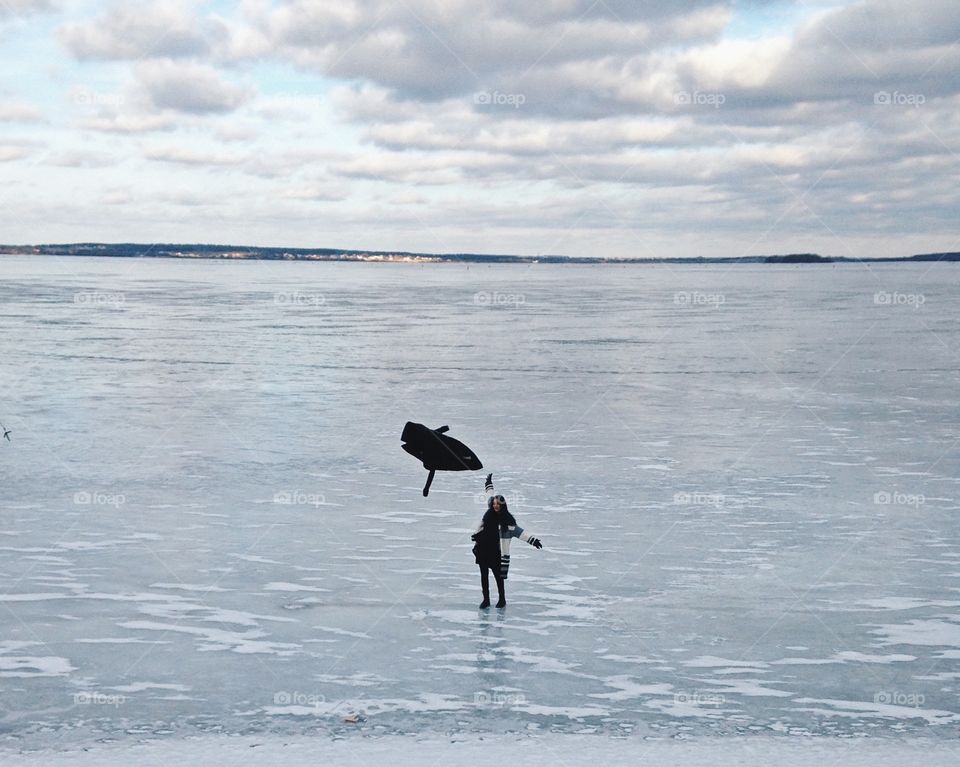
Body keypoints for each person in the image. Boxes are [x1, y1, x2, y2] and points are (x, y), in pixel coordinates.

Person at [471, 473, 542, 609]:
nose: (495, 506)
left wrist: (534, 541)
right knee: (483, 575)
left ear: (503, 506)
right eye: (494, 504)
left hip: (497, 553)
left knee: (499, 578)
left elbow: (521, 533)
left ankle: (502, 599)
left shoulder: (508, 523)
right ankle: (486, 599)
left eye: (498, 504)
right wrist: (488, 483)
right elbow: (489, 494)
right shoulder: (488, 514)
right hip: (483, 549)